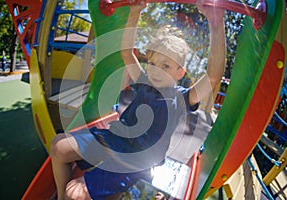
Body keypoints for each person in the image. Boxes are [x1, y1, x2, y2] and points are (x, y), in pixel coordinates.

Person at [50, 1, 225, 199]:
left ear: (180, 72)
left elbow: (212, 77)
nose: (155, 70)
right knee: (58, 145)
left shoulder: (181, 98)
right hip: (115, 140)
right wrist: (134, 12)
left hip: (135, 161)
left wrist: (215, 22)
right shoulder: (144, 81)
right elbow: (126, 53)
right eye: (152, 63)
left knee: (75, 191)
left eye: (165, 65)